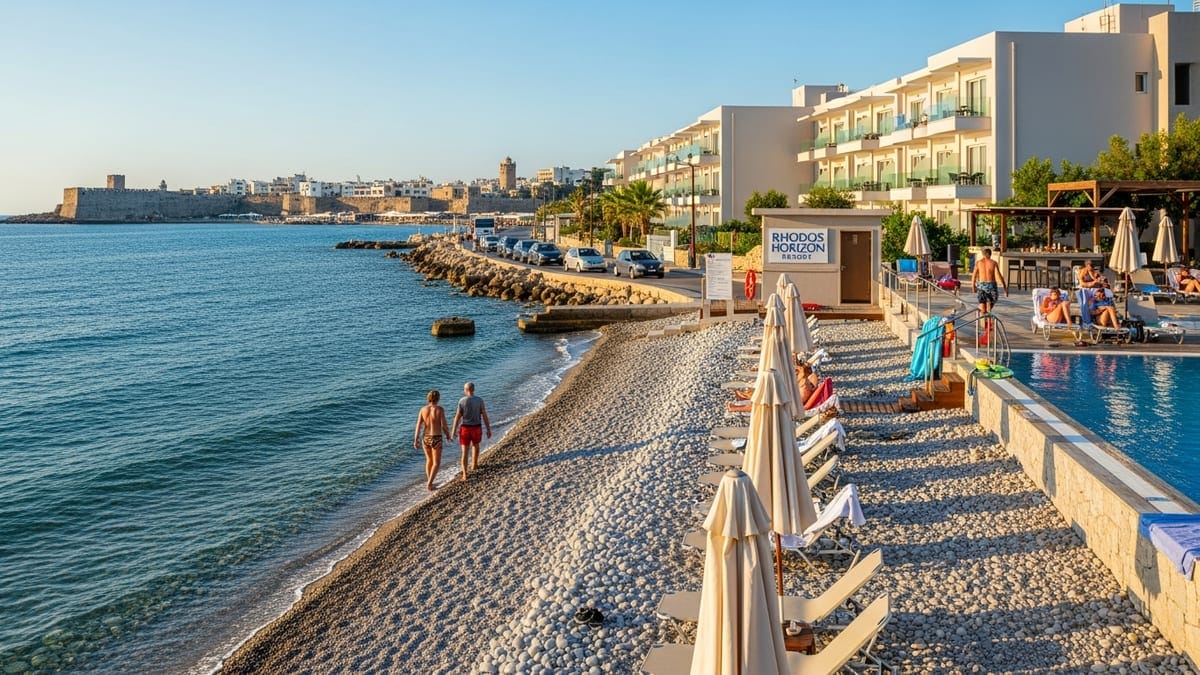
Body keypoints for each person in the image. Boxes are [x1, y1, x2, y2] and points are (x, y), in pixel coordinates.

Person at [451, 381, 491, 481]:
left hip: (465, 428)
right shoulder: (479, 400)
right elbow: (484, 415)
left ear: (466, 390)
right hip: (476, 427)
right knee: (476, 446)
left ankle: (465, 474)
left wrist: (453, 431)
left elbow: (457, 417)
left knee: (464, 451)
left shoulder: (461, 401)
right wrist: (488, 429)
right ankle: (474, 464)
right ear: (473, 389)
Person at [414, 390, 452, 490]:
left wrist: (416, 439)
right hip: (436, 437)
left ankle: (430, 481)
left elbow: (418, 425)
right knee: (436, 463)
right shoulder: (440, 409)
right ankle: (430, 484)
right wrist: (448, 435)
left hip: (425, 437)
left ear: (428, 398)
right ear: (438, 398)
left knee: (429, 460)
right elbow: (444, 425)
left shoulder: (423, 409)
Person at [970, 248, 1009, 317]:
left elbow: (974, 276)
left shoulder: (978, 263)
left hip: (981, 285)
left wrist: (973, 286)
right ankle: (987, 318)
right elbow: (999, 276)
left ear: (983, 254)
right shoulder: (993, 263)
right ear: (989, 254)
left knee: (983, 307)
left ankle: (984, 319)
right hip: (991, 286)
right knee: (989, 306)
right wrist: (1005, 288)